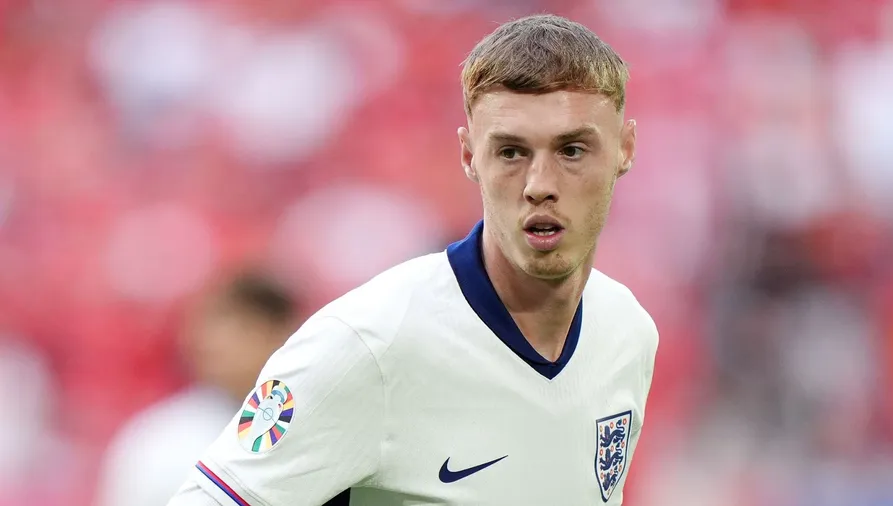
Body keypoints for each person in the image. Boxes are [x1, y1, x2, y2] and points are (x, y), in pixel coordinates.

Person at [167, 13, 657, 506]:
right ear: (469, 156)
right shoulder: (368, 344)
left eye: (572, 150)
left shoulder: (628, 333)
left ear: (625, 149)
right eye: (511, 152)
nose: (539, 185)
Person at [95, 271, 298, 506]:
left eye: (247, 329)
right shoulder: (164, 438)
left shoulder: (309, 424)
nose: (222, 343)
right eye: (218, 327)